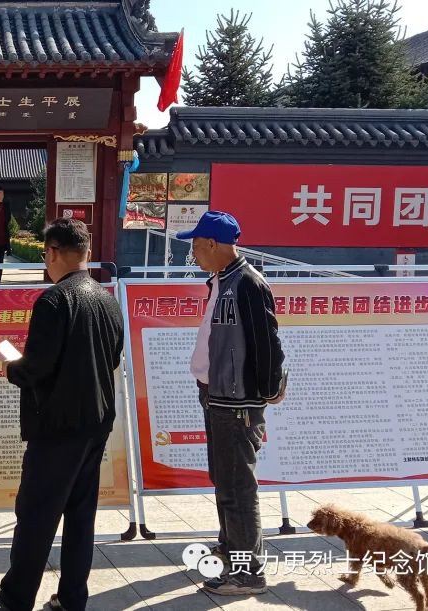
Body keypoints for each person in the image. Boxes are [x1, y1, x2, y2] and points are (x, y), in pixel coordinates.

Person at [0, 219, 125, 611]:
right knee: (80, 517)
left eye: (44, 254)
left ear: (53, 252)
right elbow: (112, 358)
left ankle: (13, 601)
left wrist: (9, 363)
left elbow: (35, 369)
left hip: (58, 427)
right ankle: (72, 599)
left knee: (36, 516)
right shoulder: (107, 299)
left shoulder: (54, 301)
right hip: (96, 424)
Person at [178, 211, 285, 596]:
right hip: (218, 395)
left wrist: (268, 390)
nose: (193, 253)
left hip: (237, 402)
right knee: (224, 480)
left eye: (196, 245)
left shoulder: (248, 284)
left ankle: (248, 571)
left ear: (212, 244)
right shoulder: (222, 280)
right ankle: (231, 547)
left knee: (238, 486)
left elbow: (267, 341)